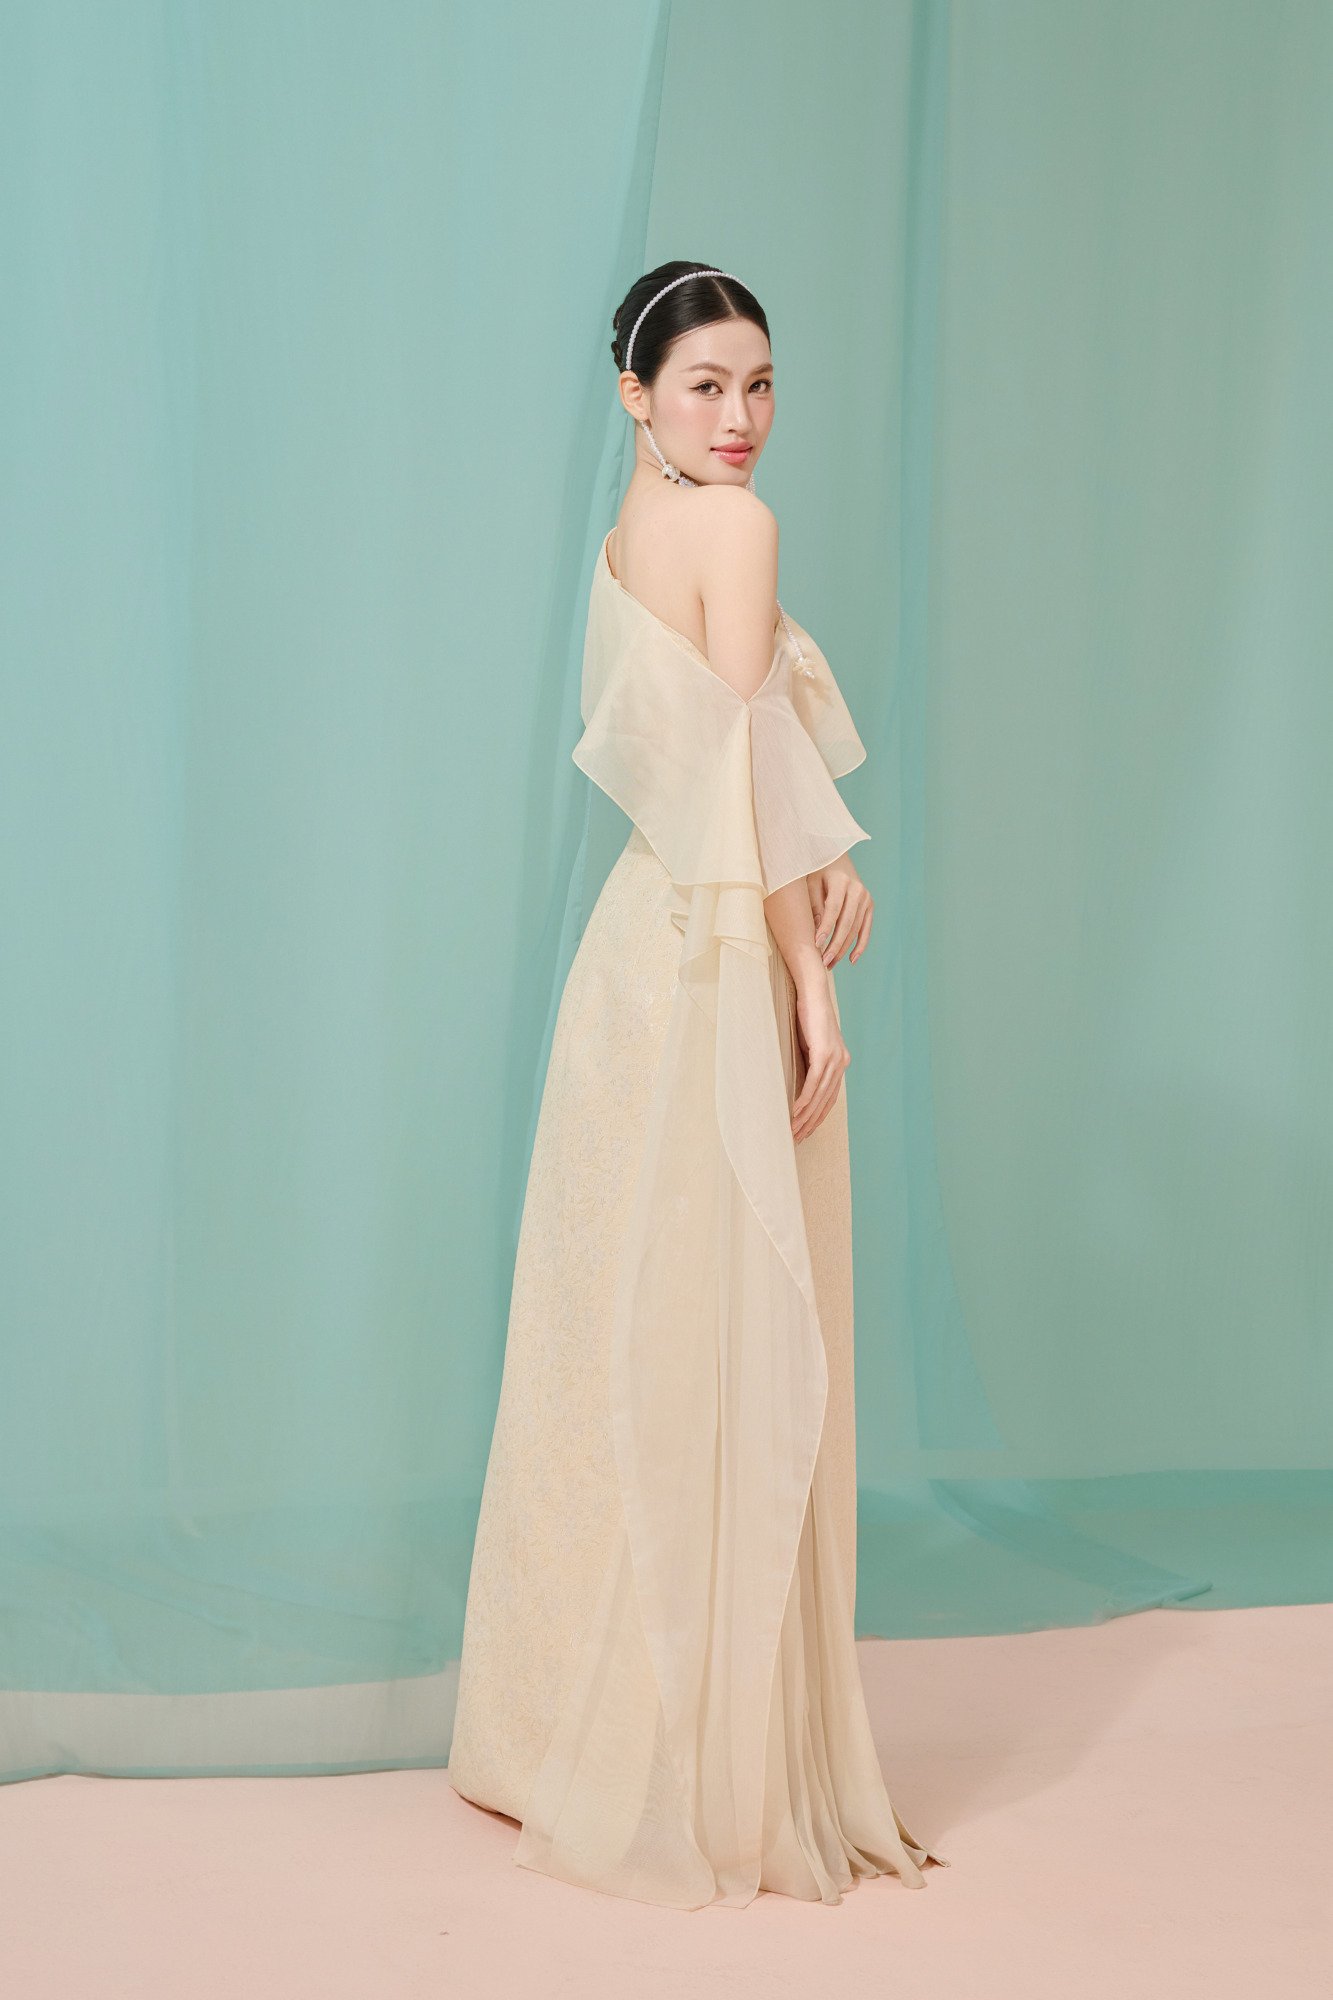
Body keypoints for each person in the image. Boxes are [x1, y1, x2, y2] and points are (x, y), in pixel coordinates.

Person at [447, 262, 948, 1908]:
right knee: (728, 1332)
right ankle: (704, 1762)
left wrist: (822, 862)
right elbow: (740, 764)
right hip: (714, 963)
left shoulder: (630, 532)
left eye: (760, 384)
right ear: (636, 394)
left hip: (633, 953)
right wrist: (809, 973)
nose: (740, 418)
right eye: (705, 386)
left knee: (624, 1329)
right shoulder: (735, 530)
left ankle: (561, 1738)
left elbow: (730, 765)